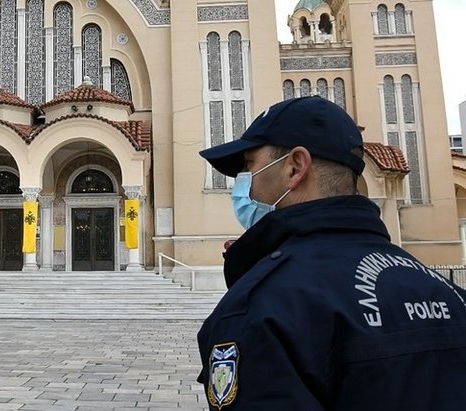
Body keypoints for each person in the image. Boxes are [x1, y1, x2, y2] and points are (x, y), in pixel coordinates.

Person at [197, 96, 466, 410]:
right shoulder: (452, 296)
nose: (243, 184)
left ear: (295, 167)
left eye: (248, 166)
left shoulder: (265, 310)